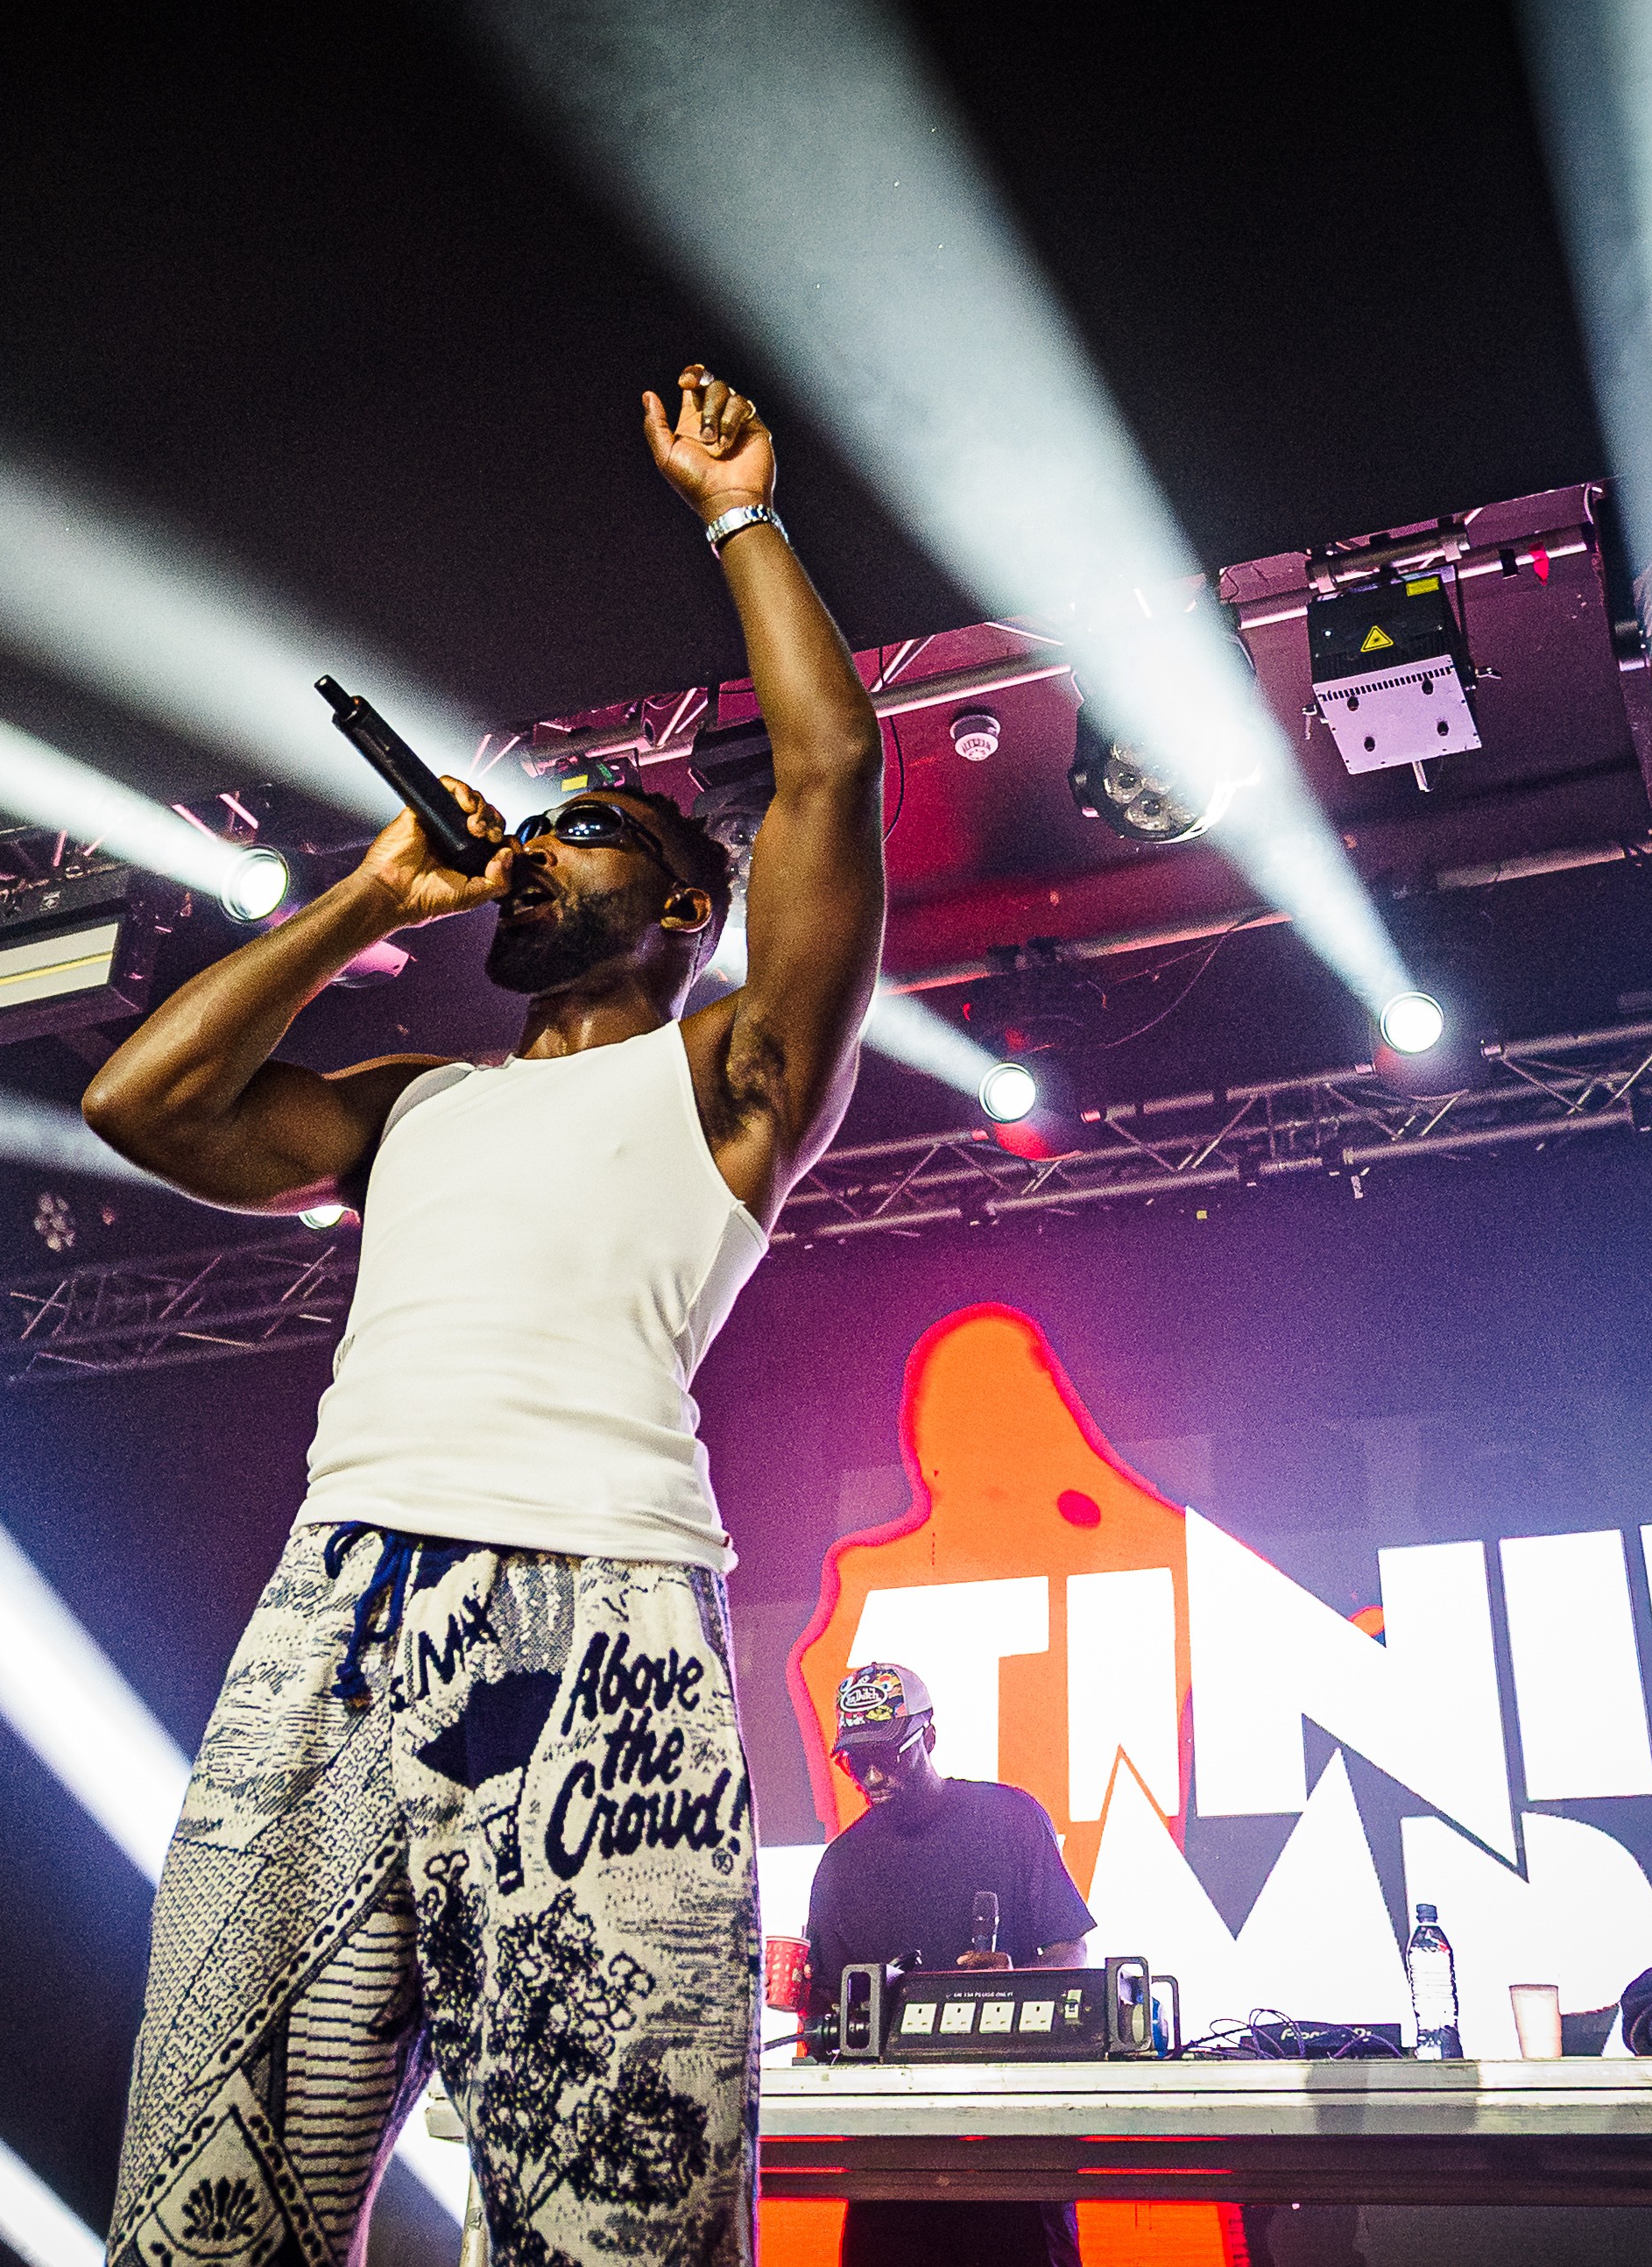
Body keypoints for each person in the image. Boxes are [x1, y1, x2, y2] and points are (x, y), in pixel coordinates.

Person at [81, 364, 884, 2266]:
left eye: (583, 827)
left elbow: (830, 775)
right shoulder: (407, 1101)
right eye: (524, 831)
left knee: (614, 2219)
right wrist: (370, 889)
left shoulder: (732, 1070)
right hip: (334, 1609)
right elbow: (142, 1104)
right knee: (204, 2209)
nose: (530, 845)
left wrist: (737, 513)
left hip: (597, 1614)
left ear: (682, 905)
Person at [804, 1662, 1097, 2267]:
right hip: (891, 2159)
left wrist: (1013, 1989)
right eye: (855, 1763)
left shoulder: (1010, 1817)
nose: (873, 1777)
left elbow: (1070, 1951)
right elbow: (827, 2013)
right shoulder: (840, 1864)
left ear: (929, 1737)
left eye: (888, 1755)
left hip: (1013, 2145)